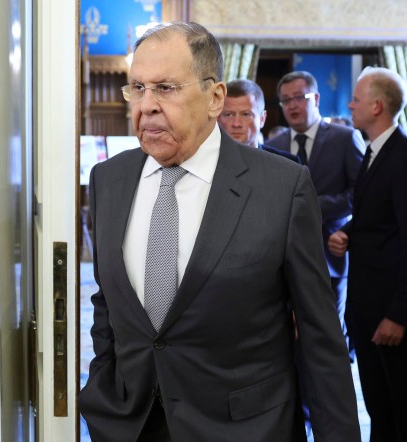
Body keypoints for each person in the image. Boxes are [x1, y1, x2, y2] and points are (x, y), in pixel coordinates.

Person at [78, 21, 360, 442]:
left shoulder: (282, 187)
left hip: (244, 429)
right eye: (137, 88)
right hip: (129, 424)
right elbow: (109, 304)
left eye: (166, 88)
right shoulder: (108, 181)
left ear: (214, 98)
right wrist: (103, 388)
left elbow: (320, 338)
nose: (147, 105)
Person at [328, 66, 407, 441]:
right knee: (379, 405)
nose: (350, 106)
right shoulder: (375, 151)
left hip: (390, 311)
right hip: (367, 304)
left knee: (403, 407)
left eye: (356, 100)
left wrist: (398, 315)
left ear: (376, 107)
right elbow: (378, 215)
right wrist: (348, 232)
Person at [266, 71, 365, 359]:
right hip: (282, 258)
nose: (292, 106)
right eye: (286, 100)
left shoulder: (345, 138)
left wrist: (309, 206)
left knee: (329, 336)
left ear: (316, 99)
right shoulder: (275, 145)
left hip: (330, 251)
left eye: (300, 97)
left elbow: (361, 193)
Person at [218, 78, 299, 162]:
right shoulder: (209, 161)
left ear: (262, 119)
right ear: (218, 119)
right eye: (228, 114)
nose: (236, 124)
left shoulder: (288, 164)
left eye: (246, 114)